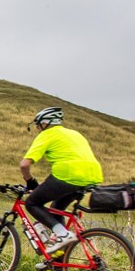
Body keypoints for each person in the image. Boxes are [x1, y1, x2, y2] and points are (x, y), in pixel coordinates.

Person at [20, 107, 103, 258]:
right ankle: (59, 258)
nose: (38, 129)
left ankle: (62, 234)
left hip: (69, 175)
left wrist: (30, 182)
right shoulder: (75, 134)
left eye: (38, 125)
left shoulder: (47, 134)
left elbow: (24, 165)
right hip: (92, 176)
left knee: (32, 203)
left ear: (45, 124)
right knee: (56, 207)